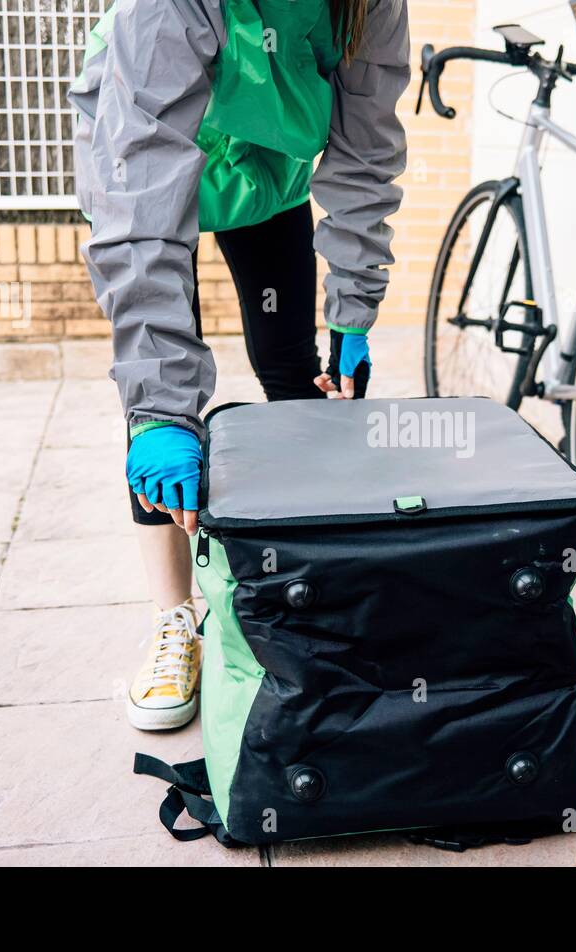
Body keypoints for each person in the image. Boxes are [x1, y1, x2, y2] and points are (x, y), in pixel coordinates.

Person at [70, 0, 409, 730]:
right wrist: (160, 409)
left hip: (264, 173)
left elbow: (366, 145)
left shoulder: (371, 3)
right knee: (158, 405)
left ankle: (313, 584)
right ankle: (174, 619)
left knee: (293, 367)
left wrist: (353, 306)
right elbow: (140, 202)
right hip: (144, 168)